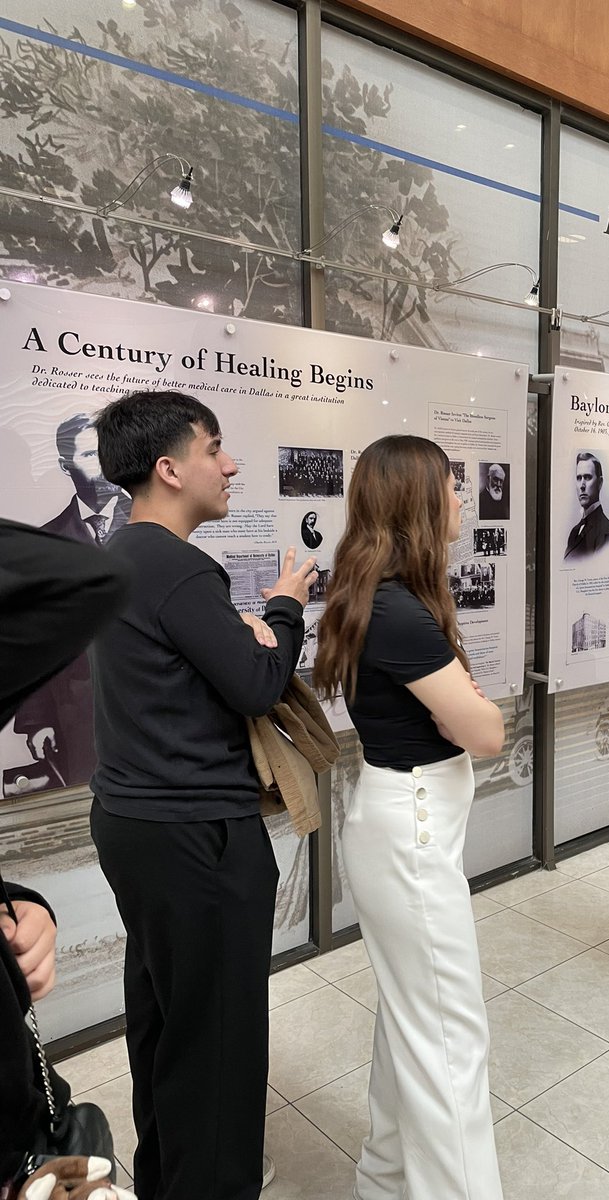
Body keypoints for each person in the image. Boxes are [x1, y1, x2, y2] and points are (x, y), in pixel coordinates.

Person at [88, 390, 318, 1200]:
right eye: (214, 448)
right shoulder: (178, 568)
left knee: (165, 1024)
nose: (229, 464)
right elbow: (257, 684)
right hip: (196, 832)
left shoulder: (115, 556)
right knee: (219, 1046)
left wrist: (243, 632)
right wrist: (285, 609)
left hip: (134, 821)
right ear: (168, 466)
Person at [314, 435, 506, 1200]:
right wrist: (475, 701)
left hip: (404, 822)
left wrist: (470, 702)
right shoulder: (397, 610)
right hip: (412, 831)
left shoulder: (385, 597)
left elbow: (469, 718)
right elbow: (486, 732)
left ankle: (389, 1180)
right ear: (419, 503)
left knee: (412, 1020)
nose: (462, 499)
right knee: (449, 1037)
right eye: (452, 488)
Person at [1, 518, 132, 1199]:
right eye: (212, 448)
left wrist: (22, 902)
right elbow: (81, 579)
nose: (229, 465)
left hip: (25, 1137)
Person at [13, 415, 131, 792]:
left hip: (157, 702)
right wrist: (36, 719)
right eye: (88, 454)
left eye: (106, 452)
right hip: (81, 713)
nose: (103, 462)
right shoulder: (49, 542)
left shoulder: (155, 526)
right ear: (67, 465)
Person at [564, 451, 609, 559]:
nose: (582, 485)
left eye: (587, 477)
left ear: (600, 483)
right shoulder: (575, 531)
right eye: (578, 478)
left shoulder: (606, 532)